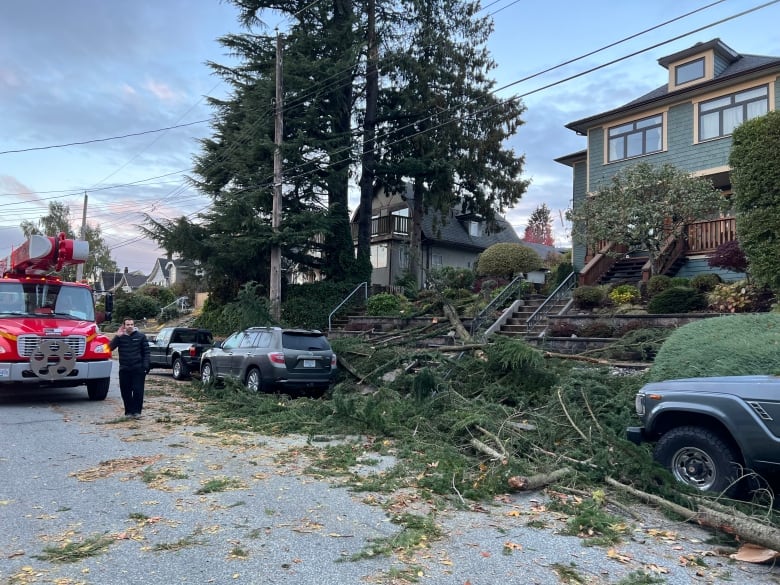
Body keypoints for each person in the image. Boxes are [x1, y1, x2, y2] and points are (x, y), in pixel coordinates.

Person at [109, 317, 151, 418]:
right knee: (125, 391)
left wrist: (146, 366)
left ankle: (137, 412)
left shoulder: (141, 336)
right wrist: (117, 336)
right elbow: (108, 348)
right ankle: (128, 412)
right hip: (124, 369)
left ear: (134, 325)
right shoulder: (120, 337)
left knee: (138, 391)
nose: (130, 326)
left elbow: (146, 352)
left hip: (138, 368)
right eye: (128, 325)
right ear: (124, 326)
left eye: (131, 324)